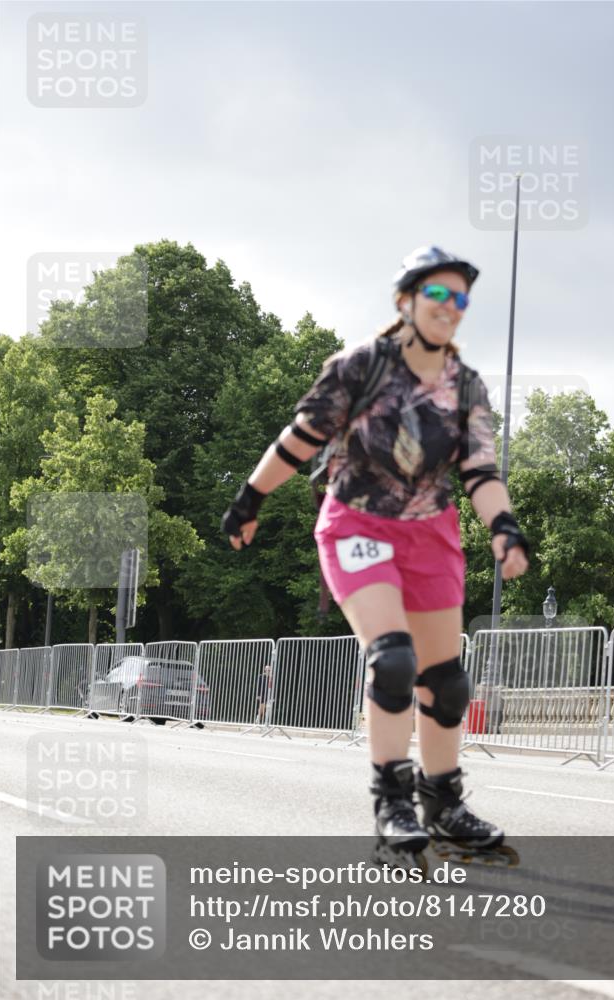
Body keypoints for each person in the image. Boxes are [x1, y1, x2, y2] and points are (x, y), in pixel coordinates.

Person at [221, 245, 529, 869]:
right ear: (406, 301)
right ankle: (392, 804)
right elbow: (302, 436)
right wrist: (249, 497)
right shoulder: (361, 365)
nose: (450, 307)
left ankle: (443, 806)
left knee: (445, 682)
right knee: (393, 661)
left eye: (460, 299)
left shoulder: (464, 385)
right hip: (357, 522)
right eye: (438, 294)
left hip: (431, 533)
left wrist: (503, 525)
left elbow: (480, 468)